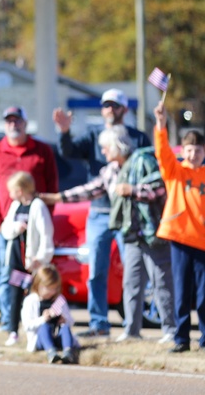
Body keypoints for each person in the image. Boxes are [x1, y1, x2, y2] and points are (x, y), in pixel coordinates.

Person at [39, 125, 176, 344]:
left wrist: (133, 190)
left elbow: (161, 187)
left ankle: (171, 330)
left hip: (151, 234)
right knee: (131, 283)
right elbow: (90, 190)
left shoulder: (144, 161)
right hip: (129, 233)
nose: (102, 152)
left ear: (118, 145)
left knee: (160, 282)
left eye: (105, 148)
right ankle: (132, 331)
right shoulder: (111, 170)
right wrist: (56, 198)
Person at [53, 88, 151, 337]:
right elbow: (69, 152)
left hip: (129, 216)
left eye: (114, 106)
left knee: (133, 272)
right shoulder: (94, 135)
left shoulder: (138, 139)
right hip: (99, 213)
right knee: (96, 270)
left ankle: (132, 327)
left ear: (124, 110)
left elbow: (151, 171)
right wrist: (64, 132)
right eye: (105, 106)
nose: (109, 110)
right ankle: (99, 324)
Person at [0, 106, 58, 334]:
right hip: (9, 227)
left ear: (25, 123)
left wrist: (46, 216)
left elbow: (53, 185)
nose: (13, 125)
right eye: (9, 121)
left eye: (17, 121)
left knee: (36, 274)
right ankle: (9, 322)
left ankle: (35, 321)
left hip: (34, 227)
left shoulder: (41, 150)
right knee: (8, 275)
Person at [152, 100, 205, 353]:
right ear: (183, 151)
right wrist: (160, 124)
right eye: (189, 150)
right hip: (181, 240)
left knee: (204, 296)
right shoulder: (175, 172)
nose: (193, 154)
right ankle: (181, 339)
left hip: (203, 242)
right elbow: (162, 152)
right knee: (182, 292)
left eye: (198, 150)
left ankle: (204, 338)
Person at [0, 171, 55, 346]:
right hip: (16, 260)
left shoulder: (37, 206)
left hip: (32, 263)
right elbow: (5, 229)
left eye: (13, 190)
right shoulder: (15, 206)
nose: (10, 194)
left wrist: (42, 257)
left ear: (21, 189)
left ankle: (38, 332)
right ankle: (13, 330)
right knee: (15, 295)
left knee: (35, 297)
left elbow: (46, 233)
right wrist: (16, 227)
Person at [21, 264, 79, 364]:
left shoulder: (59, 299)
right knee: (44, 327)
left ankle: (68, 352)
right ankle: (51, 352)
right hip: (40, 338)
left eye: (55, 288)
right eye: (48, 288)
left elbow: (71, 321)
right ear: (38, 285)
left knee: (65, 327)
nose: (51, 292)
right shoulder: (31, 301)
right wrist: (43, 319)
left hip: (58, 335)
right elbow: (27, 326)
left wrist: (64, 319)